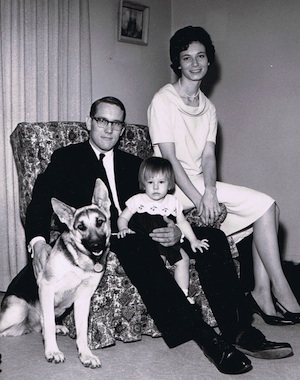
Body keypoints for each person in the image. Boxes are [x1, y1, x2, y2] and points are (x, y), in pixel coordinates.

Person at [25, 96, 293, 375]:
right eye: (102, 121)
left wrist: (176, 230)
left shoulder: (135, 163)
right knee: (137, 247)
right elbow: (40, 200)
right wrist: (38, 242)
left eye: (116, 123)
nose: (108, 129)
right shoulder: (67, 158)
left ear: (123, 129)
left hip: (145, 228)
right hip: (101, 239)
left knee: (211, 239)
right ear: (89, 123)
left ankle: (239, 332)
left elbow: (165, 201)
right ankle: (209, 341)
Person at [148, 25, 300, 326]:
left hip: (201, 185)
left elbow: (207, 156)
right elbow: (170, 159)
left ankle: (263, 291)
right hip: (170, 188)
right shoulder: (163, 101)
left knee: (267, 207)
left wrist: (211, 192)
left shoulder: (208, 107)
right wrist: (200, 198)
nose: (195, 64)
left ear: (209, 60)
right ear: (177, 63)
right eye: (187, 57)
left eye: (201, 56)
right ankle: (281, 289)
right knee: (264, 208)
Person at [117, 156, 210, 303]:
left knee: (183, 259)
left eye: (161, 182)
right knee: (158, 263)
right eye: (150, 182)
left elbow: (182, 223)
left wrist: (193, 240)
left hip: (168, 241)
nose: (155, 187)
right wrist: (123, 228)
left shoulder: (173, 202)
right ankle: (164, 295)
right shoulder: (138, 200)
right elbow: (123, 218)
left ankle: (183, 295)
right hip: (147, 241)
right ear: (143, 184)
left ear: (169, 184)